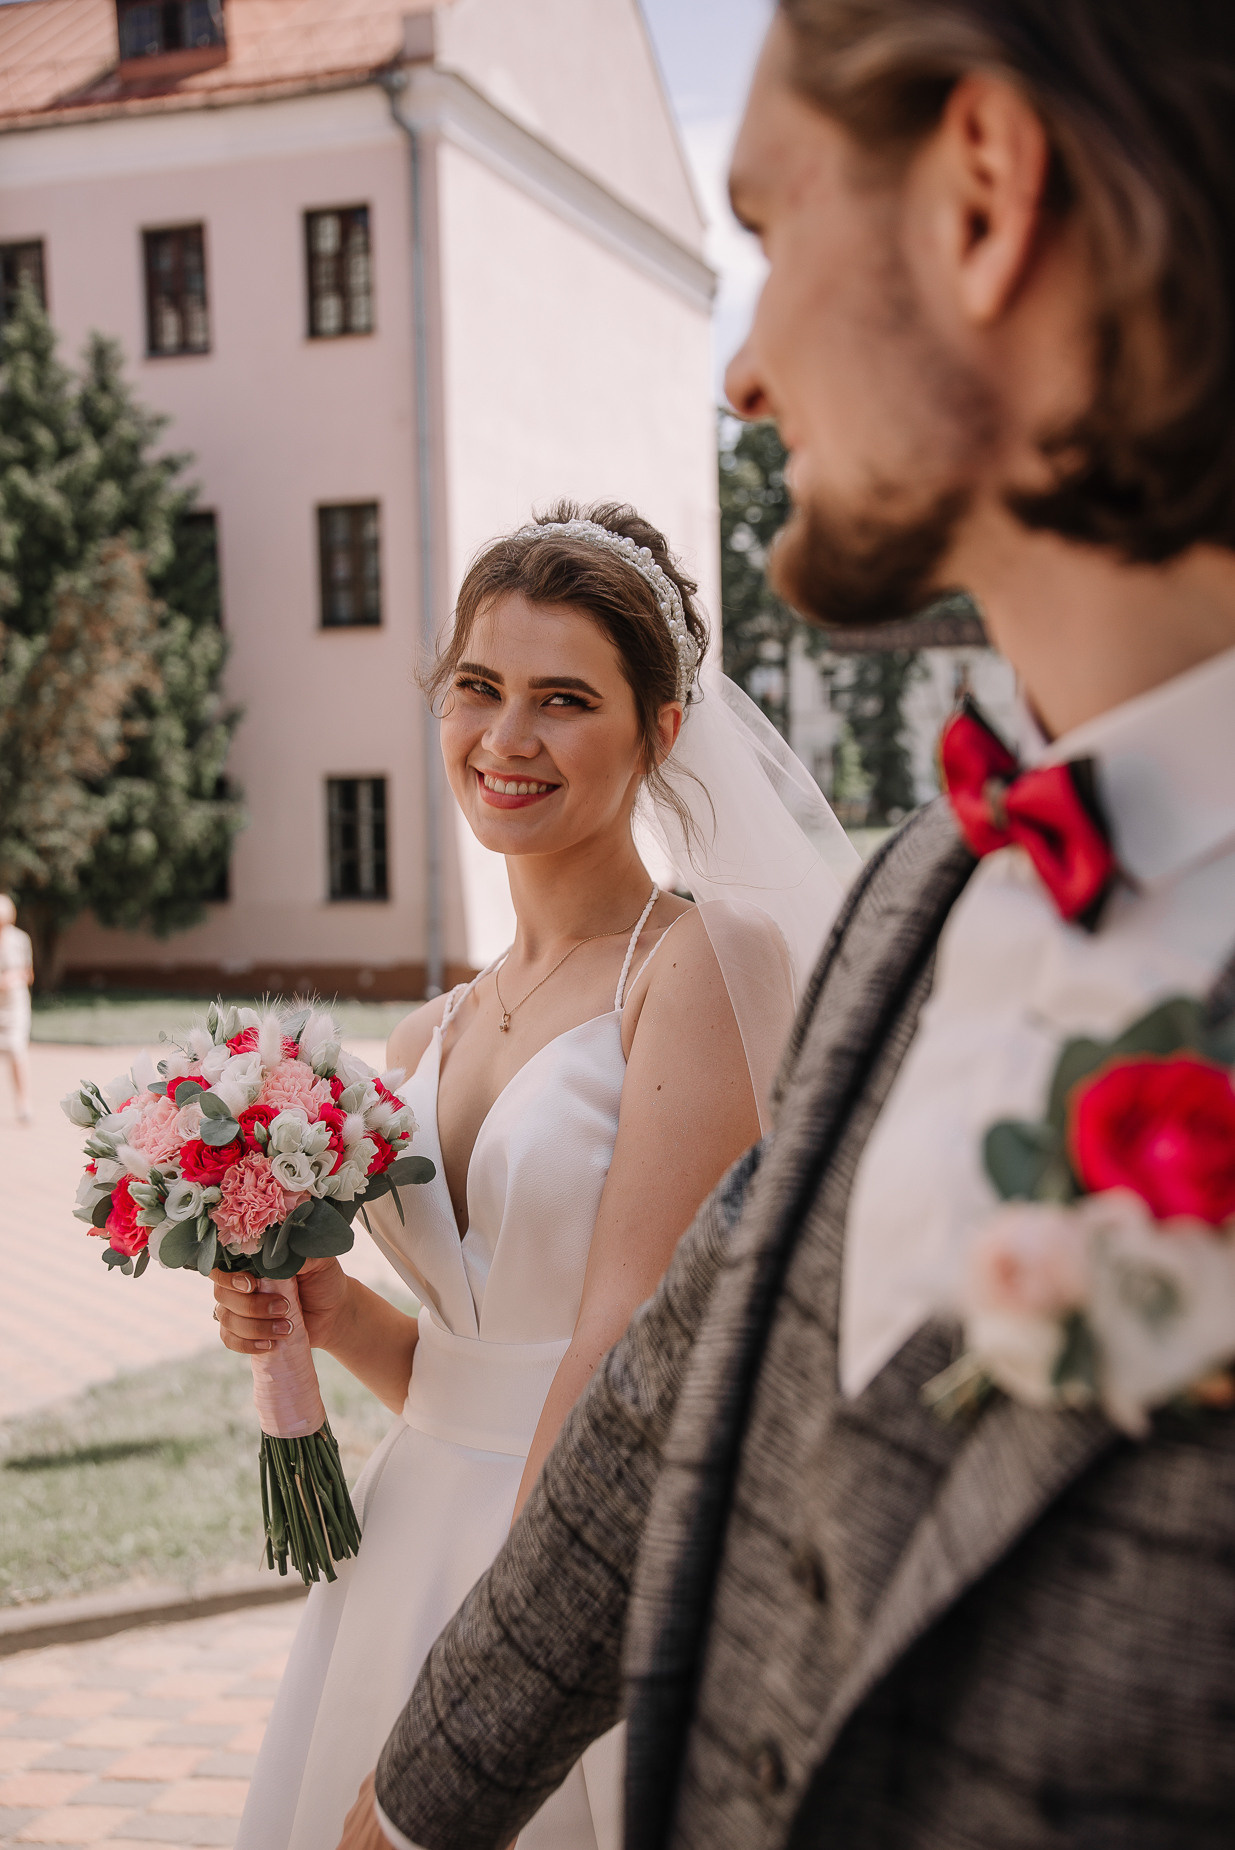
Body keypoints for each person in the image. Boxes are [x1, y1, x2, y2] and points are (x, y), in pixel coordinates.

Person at [335, 2, 1235, 1847]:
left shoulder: (726, 953)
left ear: (981, 199)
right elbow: (664, 1420)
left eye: (770, 230)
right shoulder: (927, 886)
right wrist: (407, 1817)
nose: (742, 376)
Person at [214, 501, 856, 1850]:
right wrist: (324, 1310)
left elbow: (625, 1336)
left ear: (660, 729)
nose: (505, 739)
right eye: (477, 687)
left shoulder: (697, 964)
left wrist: (497, 1679)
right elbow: (467, 1374)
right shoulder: (426, 1029)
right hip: (405, 1550)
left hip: (571, 1575)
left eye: (563, 699)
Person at [0, 896, 34, 1123]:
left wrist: (11, 979)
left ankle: (23, 1104)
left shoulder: (20, 939)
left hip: (15, 1004)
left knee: (16, 1051)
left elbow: (28, 973)